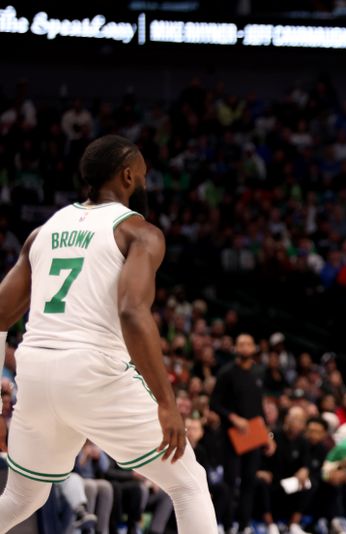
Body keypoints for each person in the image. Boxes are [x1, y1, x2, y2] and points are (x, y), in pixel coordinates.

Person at [0, 134, 216, 532]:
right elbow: (132, 312)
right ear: (129, 174)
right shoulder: (139, 232)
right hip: (92, 369)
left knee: (21, 497)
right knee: (188, 483)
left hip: (35, 369)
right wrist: (167, 403)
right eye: (145, 176)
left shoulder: (44, 231)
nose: (147, 185)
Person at [211, 332, 267, 533]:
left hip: (253, 435)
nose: (244, 347)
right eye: (240, 344)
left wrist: (267, 435)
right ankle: (226, 526)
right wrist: (234, 418)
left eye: (248, 344)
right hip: (231, 435)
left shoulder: (258, 372)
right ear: (236, 348)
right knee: (230, 482)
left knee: (249, 482)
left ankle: (243, 526)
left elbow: (259, 408)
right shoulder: (227, 373)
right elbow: (214, 403)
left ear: (253, 349)